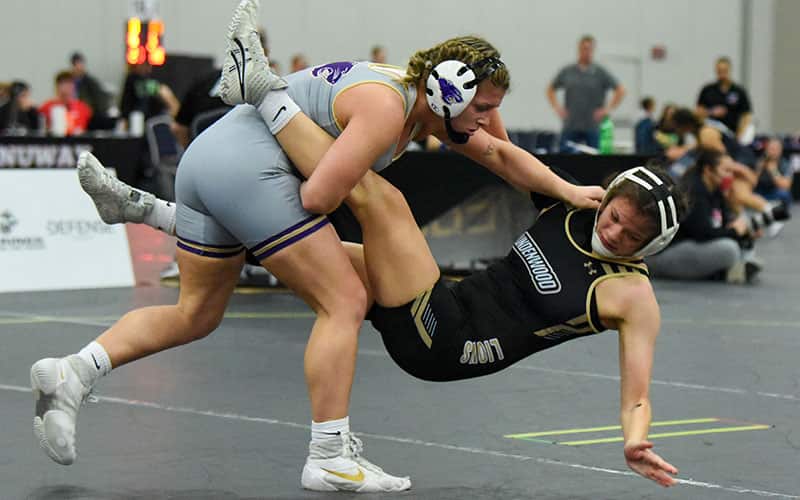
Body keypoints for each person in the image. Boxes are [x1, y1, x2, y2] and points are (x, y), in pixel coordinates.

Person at [31, 0, 603, 493]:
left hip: (207, 162)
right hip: (250, 171)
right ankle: (328, 454)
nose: (488, 122)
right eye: (482, 109)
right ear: (447, 91)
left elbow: (500, 153)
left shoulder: (414, 96)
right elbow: (318, 196)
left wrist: (569, 191)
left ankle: (74, 371)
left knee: (196, 313)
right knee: (345, 298)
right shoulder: (386, 109)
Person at [646, 150, 762, 283]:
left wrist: (745, 232)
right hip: (667, 252)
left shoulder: (715, 190)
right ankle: (724, 272)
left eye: (731, 171)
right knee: (729, 249)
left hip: (693, 246)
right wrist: (735, 232)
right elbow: (702, 234)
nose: (730, 176)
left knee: (742, 229)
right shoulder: (693, 191)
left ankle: (733, 267)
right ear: (708, 170)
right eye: (726, 171)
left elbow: (722, 224)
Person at [546, 35, 625, 152]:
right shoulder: (568, 71)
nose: (586, 52)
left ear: (593, 50)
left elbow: (620, 90)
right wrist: (557, 108)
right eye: (584, 48)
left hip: (592, 125)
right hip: (571, 123)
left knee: (594, 156)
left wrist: (607, 109)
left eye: (589, 49)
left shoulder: (600, 72)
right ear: (579, 49)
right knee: (565, 153)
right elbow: (550, 89)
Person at [696, 57, 753, 144]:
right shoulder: (707, 90)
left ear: (730, 70)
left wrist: (740, 134)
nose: (722, 74)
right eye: (719, 71)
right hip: (712, 133)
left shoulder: (739, 91)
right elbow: (698, 112)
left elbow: (746, 115)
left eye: (724, 71)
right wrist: (711, 112)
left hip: (732, 134)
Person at [69, 52, 115, 131]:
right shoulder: (69, 81)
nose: (78, 67)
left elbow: (100, 100)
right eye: (76, 64)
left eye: (80, 64)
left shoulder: (91, 82)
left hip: (88, 116)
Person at [38, 71, 92, 136]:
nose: (66, 87)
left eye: (69, 83)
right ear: (57, 86)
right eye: (63, 83)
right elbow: (41, 129)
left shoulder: (83, 107)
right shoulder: (47, 107)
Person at [753, 138, 793, 208]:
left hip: (774, 191)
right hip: (759, 190)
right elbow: (751, 183)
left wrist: (773, 170)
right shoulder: (759, 162)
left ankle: (766, 206)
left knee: (785, 194)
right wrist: (759, 169)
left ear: (781, 150)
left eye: (776, 149)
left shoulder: (785, 164)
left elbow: (786, 186)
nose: (773, 152)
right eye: (771, 149)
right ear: (766, 150)